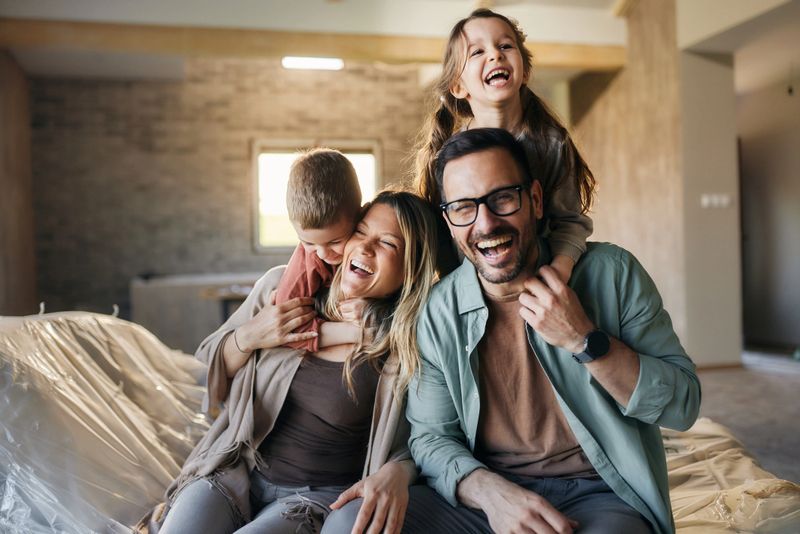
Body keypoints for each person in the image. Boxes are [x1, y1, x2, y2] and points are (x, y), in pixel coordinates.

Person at [405, 129, 701, 534]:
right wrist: (492, 494)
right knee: (352, 524)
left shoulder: (612, 274)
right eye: (463, 208)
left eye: (503, 197)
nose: (486, 223)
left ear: (536, 200)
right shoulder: (439, 311)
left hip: (599, 493)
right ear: (449, 221)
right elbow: (430, 437)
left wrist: (585, 340)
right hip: (488, 493)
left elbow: (683, 406)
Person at [141, 190, 439, 534]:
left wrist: (401, 471)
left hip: (311, 499)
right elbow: (208, 363)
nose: (365, 248)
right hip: (236, 472)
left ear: (411, 268)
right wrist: (249, 335)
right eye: (360, 232)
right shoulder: (283, 290)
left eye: (388, 243)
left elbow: (427, 437)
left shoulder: (407, 344)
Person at [414, 8, 594, 283]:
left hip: (535, 280)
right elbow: (441, 238)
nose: (495, 54)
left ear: (525, 72)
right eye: (477, 52)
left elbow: (569, 223)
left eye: (505, 46)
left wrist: (558, 272)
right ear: (458, 86)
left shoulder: (552, 144)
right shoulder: (448, 159)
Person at [271, 147, 365, 353]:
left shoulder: (372, 239)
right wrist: (356, 332)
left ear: (360, 216)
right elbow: (287, 332)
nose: (323, 254)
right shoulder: (306, 263)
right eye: (309, 243)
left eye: (334, 242)